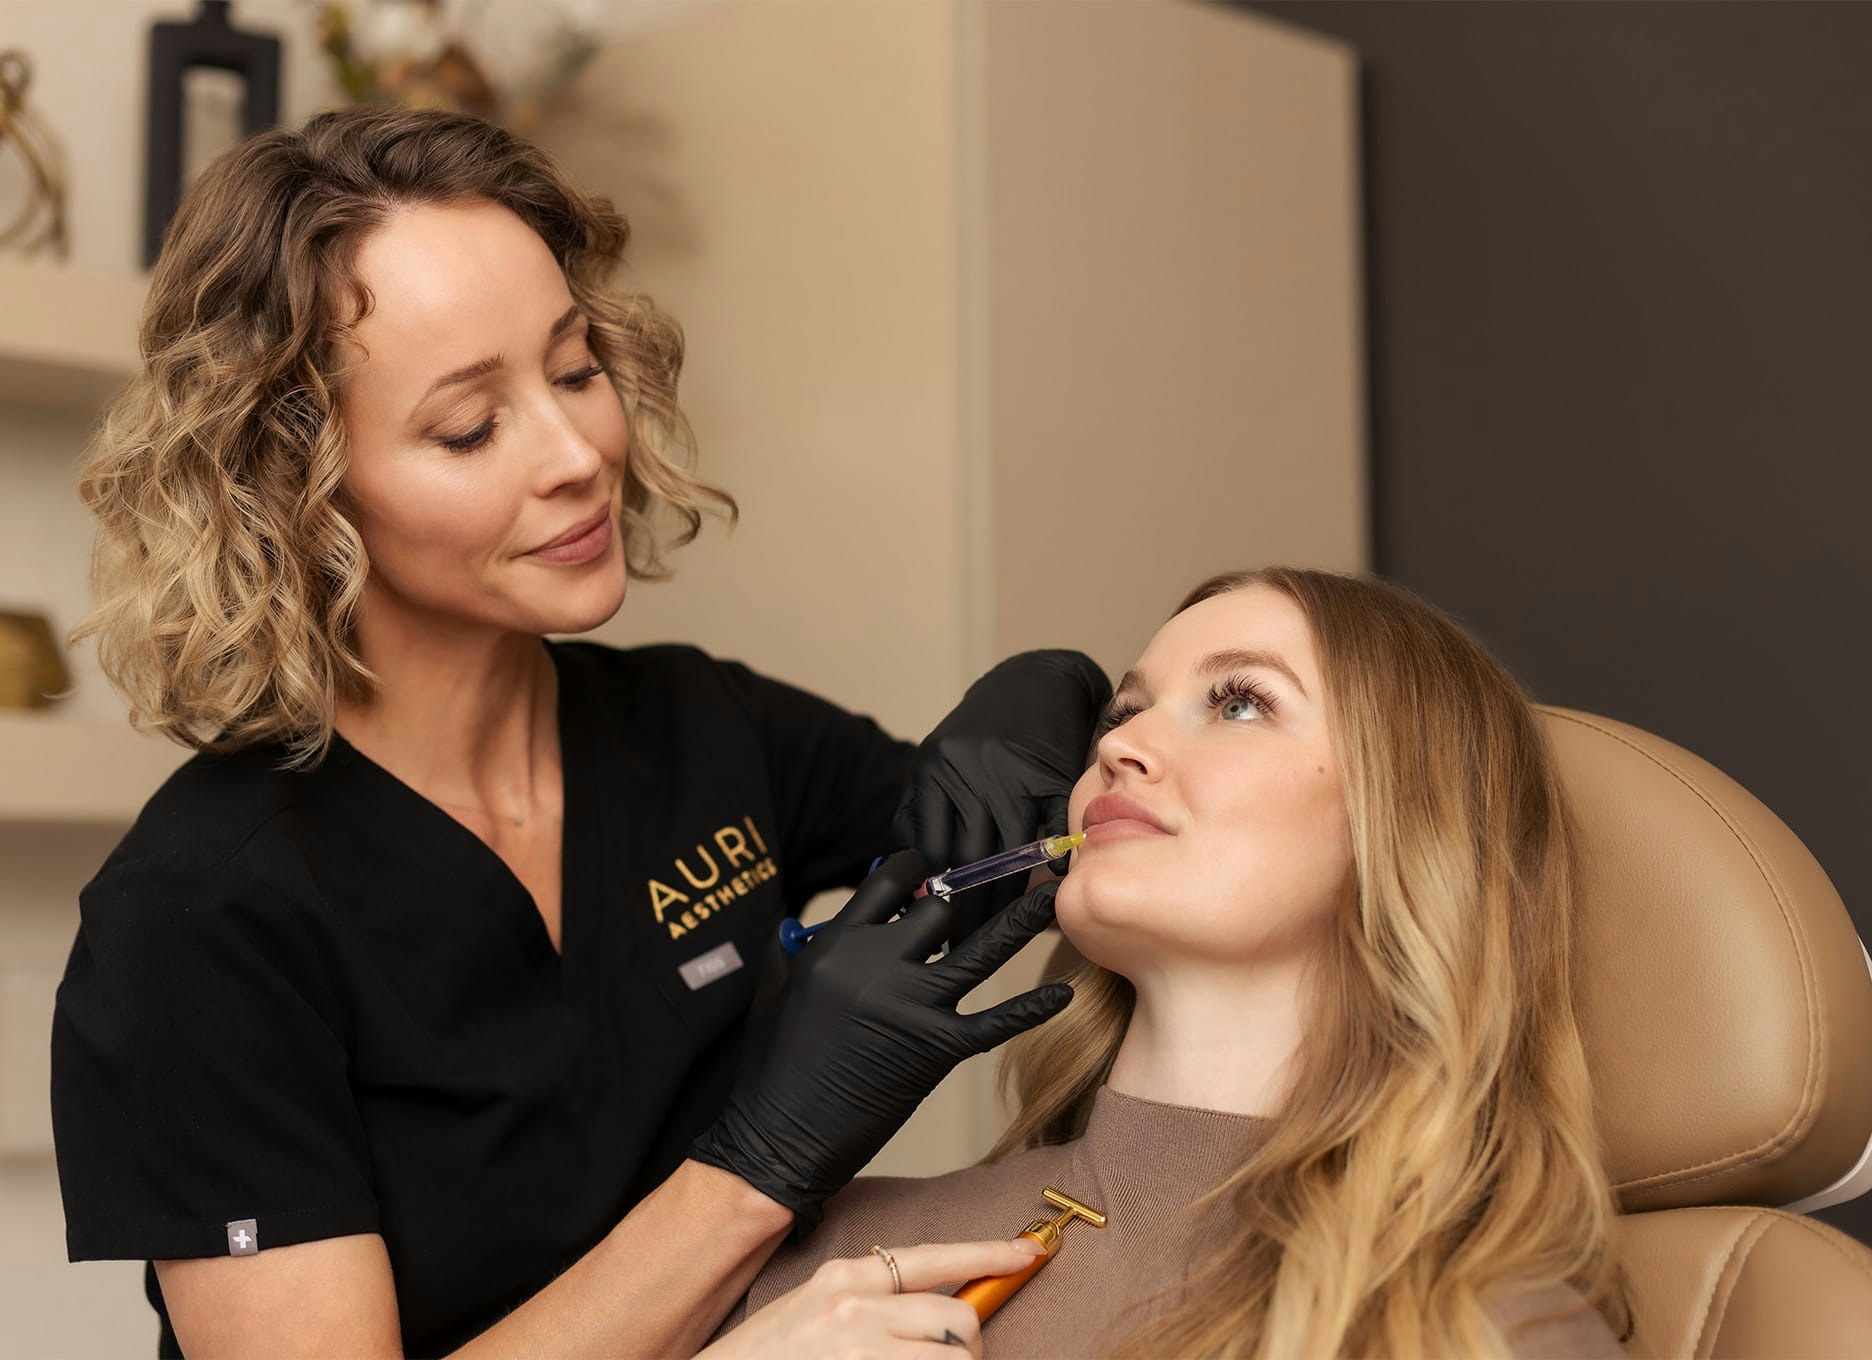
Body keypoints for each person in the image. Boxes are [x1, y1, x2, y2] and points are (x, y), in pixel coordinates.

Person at [48, 104, 1108, 1358]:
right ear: (292, 488)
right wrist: (755, 1167)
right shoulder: (204, 915)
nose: (575, 454)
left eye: (573, 369)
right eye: (468, 426)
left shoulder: (703, 730)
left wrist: (1057, 696)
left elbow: (1041, 845)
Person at [719, 567, 1633, 1358]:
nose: (1118, 746)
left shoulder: (1479, 1330)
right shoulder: (836, 1267)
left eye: (1240, 702)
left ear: (1411, 824)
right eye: (1124, 710)